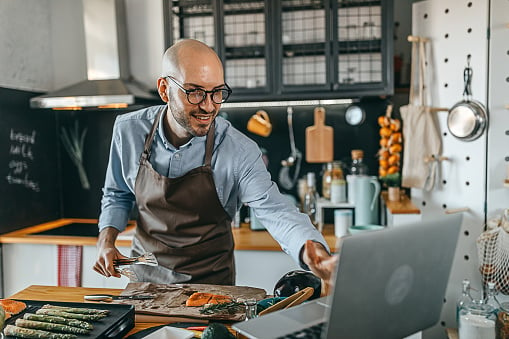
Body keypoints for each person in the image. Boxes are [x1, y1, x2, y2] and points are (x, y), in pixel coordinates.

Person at [93, 39, 337, 293]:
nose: (209, 106)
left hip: (211, 292)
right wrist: (106, 240)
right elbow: (117, 194)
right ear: (164, 89)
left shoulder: (238, 150)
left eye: (217, 92)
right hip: (145, 285)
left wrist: (315, 255)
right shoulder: (129, 130)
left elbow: (276, 211)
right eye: (195, 92)